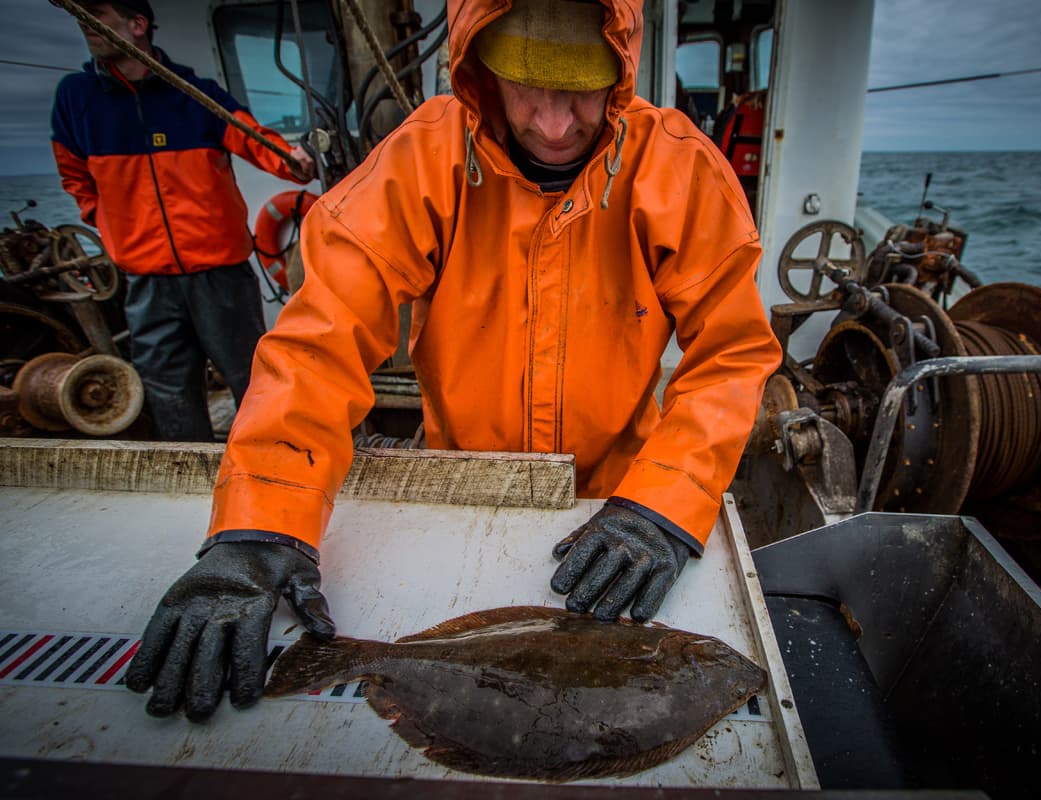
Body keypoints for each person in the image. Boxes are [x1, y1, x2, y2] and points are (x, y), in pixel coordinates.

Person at [124, 0, 781, 721]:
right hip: (458, 493)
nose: (554, 124)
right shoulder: (424, 156)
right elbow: (320, 338)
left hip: (620, 504)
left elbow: (731, 352)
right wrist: (260, 523)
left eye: (580, 91)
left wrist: (664, 504)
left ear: (620, 77)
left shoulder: (678, 168)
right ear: (480, 73)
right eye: (528, 88)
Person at [50, 0, 316, 441]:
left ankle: (271, 469)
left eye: (97, 15)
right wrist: (108, 224)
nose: (85, 25)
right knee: (168, 392)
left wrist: (295, 165)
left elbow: (253, 138)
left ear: (136, 25)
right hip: (146, 278)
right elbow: (73, 173)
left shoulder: (195, 94)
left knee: (253, 381)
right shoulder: (76, 99)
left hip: (220, 272)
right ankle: (193, 484)